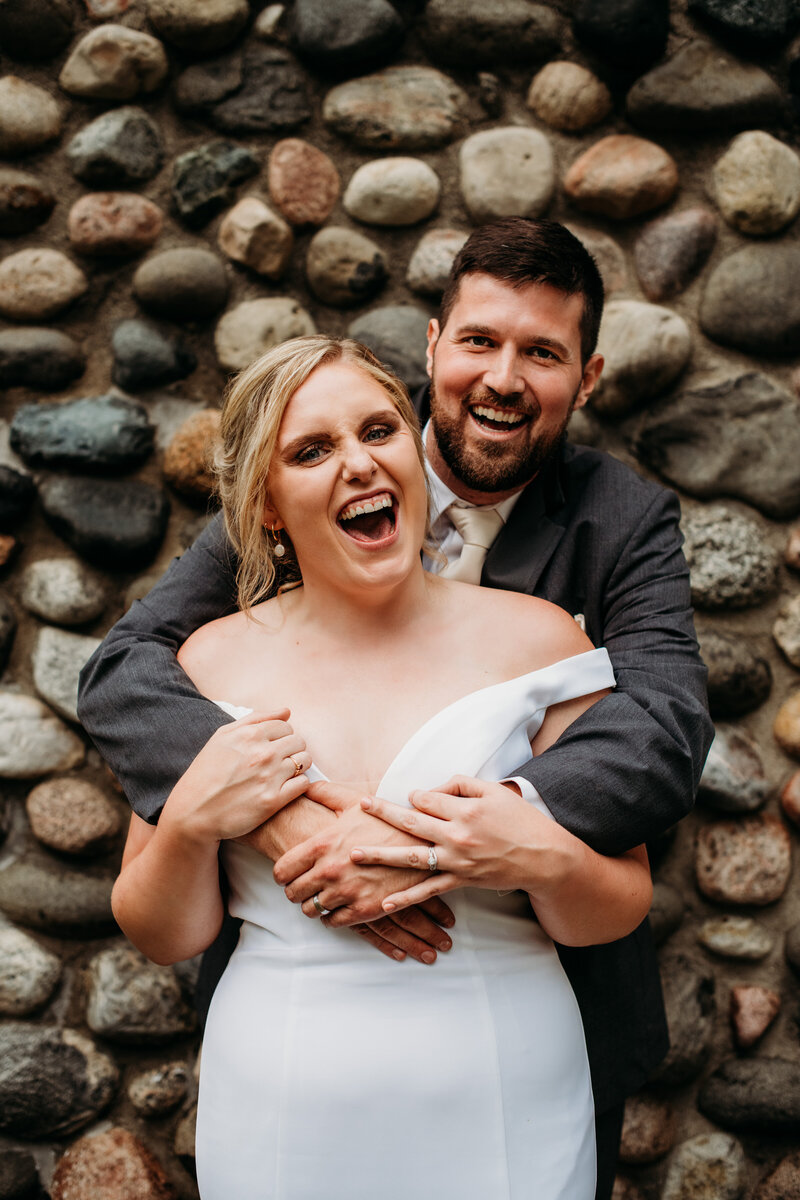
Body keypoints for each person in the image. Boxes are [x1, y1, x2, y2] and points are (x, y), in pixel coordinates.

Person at [78, 218, 713, 1200]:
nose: (502, 377)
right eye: (478, 341)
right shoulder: (293, 507)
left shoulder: (603, 545)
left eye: (540, 353)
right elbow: (126, 669)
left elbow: (659, 731)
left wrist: (433, 841)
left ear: (584, 380)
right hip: (286, 1075)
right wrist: (261, 811)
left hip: (521, 1042)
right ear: (432, 348)